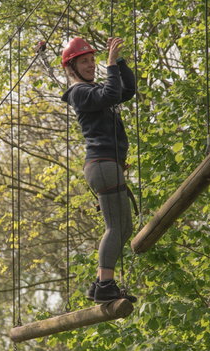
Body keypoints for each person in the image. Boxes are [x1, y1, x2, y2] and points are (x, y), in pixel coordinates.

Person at [61, 36, 137, 303]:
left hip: (108, 166)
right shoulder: (79, 93)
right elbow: (112, 93)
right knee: (115, 227)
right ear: (72, 67)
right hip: (102, 164)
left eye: (93, 60)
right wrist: (110, 65)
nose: (92, 65)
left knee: (124, 228)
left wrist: (119, 63)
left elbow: (126, 91)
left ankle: (99, 283)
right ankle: (105, 283)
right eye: (85, 61)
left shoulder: (94, 93)